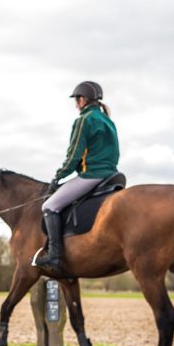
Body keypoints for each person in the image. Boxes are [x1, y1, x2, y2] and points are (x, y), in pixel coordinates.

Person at [33, 81, 120, 272]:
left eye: (76, 101)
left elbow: (74, 155)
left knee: (49, 205)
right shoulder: (107, 120)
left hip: (92, 174)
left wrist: (59, 175)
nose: (75, 105)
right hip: (111, 174)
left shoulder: (84, 120)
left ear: (82, 100)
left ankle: (54, 256)